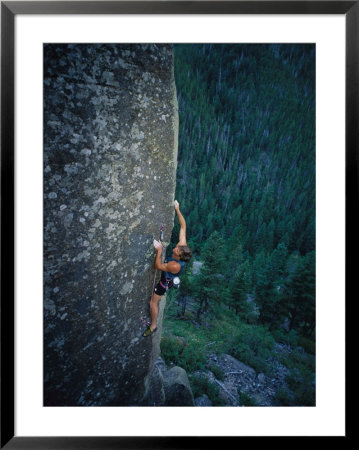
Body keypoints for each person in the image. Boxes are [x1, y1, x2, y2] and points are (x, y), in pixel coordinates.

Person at [142, 200, 192, 337]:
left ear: (180, 256)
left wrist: (159, 250)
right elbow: (183, 226)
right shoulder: (182, 246)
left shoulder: (174, 265)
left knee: (153, 302)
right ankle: (153, 325)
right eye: (177, 248)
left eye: (176, 251)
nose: (175, 248)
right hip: (169, 272)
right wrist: (177, 209)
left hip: (166, 281)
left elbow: (158, 266)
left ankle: (153, 326)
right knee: (153, 301)